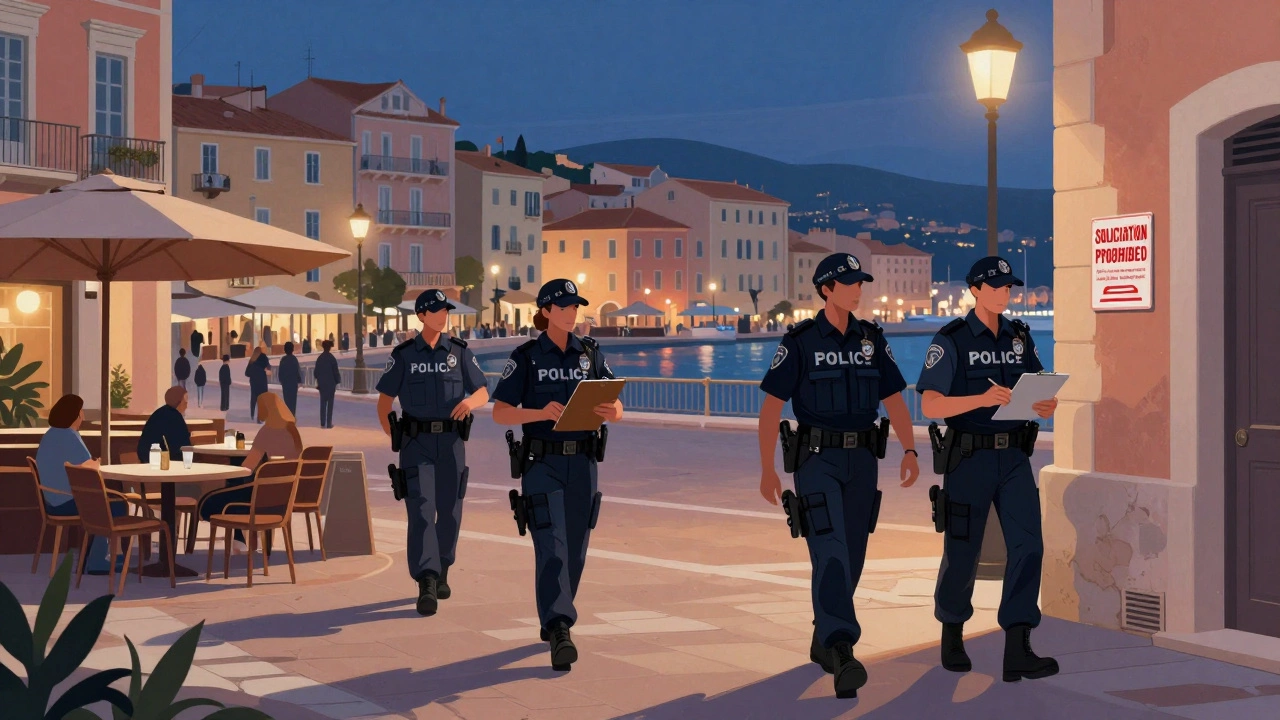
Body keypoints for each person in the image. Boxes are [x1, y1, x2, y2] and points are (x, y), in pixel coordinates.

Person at [756, 253, 919, 700]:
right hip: (816, 460)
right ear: (826, 289)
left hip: (863, 460)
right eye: (848, 283)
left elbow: (894, 399)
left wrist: (909, 448)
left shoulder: (871, 339)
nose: (857, 289)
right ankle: (842, 648)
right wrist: (768, 467)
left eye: (859, 282)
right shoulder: (801, 341)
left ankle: (822, 638)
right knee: (829, 550)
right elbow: (771, 406)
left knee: (854, 554)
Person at [915, 256, 1059, 683]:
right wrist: (979, 399)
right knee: (963, 549)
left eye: (1008, 287)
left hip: (1015, 457)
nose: (1004, 294)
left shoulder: (1019, 336)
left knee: (1029, 546)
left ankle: (1018, 646)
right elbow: (930, 405)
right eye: (995, 287)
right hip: (968, 458)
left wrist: (1043, 404)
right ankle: (952, 633)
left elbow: (1033, 385)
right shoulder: (952, 339)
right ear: (975, 290)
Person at [492, 278, 623, 672]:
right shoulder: (527, 356)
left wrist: (612, 412)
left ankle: (554, 614)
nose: (571, 314)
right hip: (542, 463)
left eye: (575, 307)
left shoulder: (590, 353)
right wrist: (538, 413)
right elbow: (500, 411)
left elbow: (615, 405)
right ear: (546, 311)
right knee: (551, 545)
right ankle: (560, 626)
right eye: (564, 307)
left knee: (576, 550)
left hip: (583, 463)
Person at [377, 289, 489, 616]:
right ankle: (426, 579)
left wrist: (470, 402)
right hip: (416, 444)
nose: (444, 315)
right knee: (422, 510)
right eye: (438, 311)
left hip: (452, 443)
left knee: (451, 509)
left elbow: (483, 390)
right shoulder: (403, 355)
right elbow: (384, 402)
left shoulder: (459, 352)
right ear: (422, 315)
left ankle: (443, 568)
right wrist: (396, 437)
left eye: (446, 310)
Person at [198, 392, 304, 551]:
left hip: (261, 500)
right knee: (239, 489)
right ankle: (242, 541)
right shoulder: (292, 432)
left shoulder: (267, 432)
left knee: (210, 501)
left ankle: (239, 540)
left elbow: (248, 466)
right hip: (283, 497)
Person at [36, 394, 125, 575]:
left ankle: (100, 557)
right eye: (81, 411)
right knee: (115, 506)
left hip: (52, 500)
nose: (83, 416)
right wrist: (97, 462)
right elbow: (89, 465)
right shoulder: (69, 435)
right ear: (75, 415)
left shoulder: (50, 434)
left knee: (107, 503)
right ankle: (99, 560)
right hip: (66, 501)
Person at [137, 386, 192, 461]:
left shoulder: (159, 413)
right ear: (178, 402)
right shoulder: (175, 418)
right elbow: (183, 447)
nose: (186, 405)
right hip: (162, 461)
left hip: (147, 458)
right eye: (185, 401)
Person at [316, 339, 341, 428]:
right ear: (330, 348)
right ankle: (329, 423)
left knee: (322, 403)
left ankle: (322, 422)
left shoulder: (320, 358)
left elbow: (316, 372)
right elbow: (335, 371)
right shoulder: (332, 358)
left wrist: (319, 380)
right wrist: (337, 380)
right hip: (331, 384)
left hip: (322, 384)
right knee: (330, 403)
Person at [245, 348, 271, 422]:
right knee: (262, 399)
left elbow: (247, 373)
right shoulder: (263, 357)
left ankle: (252, 414)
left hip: (254, 382)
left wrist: (253, 374)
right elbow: (268, 367)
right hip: (262, 381)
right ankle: (260, 417)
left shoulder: (252, 360)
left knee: (254, 398)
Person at [278, 342, 301, 417]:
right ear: (292, 349)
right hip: (293, 383)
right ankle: (292, 415)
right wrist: (299, 381)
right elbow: (297, 371)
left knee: (287, 400)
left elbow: (280, 372)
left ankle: (288, 416)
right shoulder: (294, 359)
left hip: (286, 383)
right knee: (293, 401)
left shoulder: (283, 360)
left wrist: (281, 380)